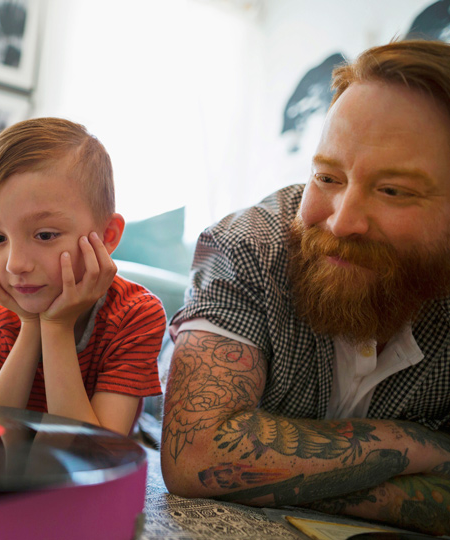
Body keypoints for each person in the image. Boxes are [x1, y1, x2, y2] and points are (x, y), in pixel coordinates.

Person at [161, 40, 450, 536]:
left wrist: (275, 472)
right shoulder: (247, 247)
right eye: (327, 176)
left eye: (392, 191)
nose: (341, 222)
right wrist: (416, 446)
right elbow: (197, 454)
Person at [0, 117, 165, 436]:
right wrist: (31, 324)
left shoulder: (135, 315)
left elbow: (95, 456)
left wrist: (56, 327)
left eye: (44, 235)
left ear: (107, 236)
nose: (15, 264)